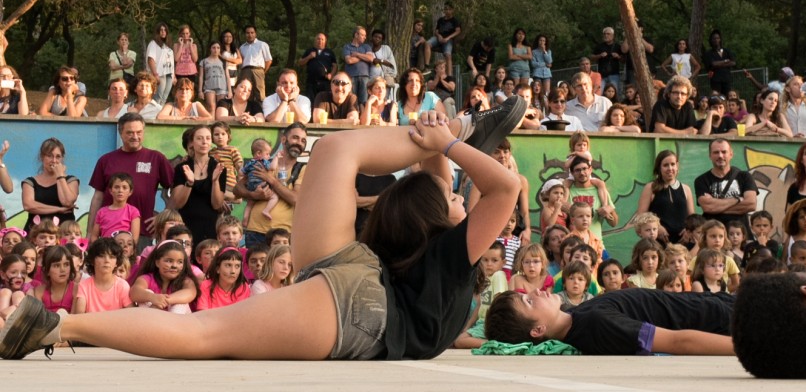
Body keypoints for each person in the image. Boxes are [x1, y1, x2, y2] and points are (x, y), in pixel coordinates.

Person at [0, 97, 527, 362]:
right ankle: (59, 326)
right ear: (438, 225)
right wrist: (453, 142)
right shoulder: (449, 257)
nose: (461, 196)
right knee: (204, 335)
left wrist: (450, 142)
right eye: (456, 198)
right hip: (363, 307)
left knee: (336, 149)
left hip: (359, 284)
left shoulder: (439, 251)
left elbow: (478, 190)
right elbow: (489, 187)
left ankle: (55, 325)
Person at [486, 287, 734, 356]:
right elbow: (678, 342)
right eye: (529, 302)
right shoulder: (596, 324)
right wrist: (744, 347)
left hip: (717, 303)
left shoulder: (579, 312)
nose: (536, 292)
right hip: (725, 318)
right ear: (538, 330)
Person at [88, 113, 174, 248]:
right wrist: (89, 234)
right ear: (121, 133)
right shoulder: (106, 160)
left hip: (142, 234)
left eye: (139, 132)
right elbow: (97, 198)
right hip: (108, 235)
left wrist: (164, 215)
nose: (135, 136)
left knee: (137, 269)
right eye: (130, 133)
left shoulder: (156, 158)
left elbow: (176, 189)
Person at [234, 123, 307, 247]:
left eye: (303, 140)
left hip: (283, 235)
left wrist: (270, 179)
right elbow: (237, 189)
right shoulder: (263, 162)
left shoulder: (302, 168)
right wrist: (253, 194)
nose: (299, 143)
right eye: (295, 137)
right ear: (283, 139)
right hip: (255, 231)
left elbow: (295, 199)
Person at [169, 126, 227, 246]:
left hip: (210, 225)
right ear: (193, 142)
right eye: (199, 138)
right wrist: (189, 183)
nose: (204, 142)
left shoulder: (219, 168)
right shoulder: (182, 168)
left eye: (207, 138)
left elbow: (217, 204)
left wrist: (215, 181)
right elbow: (178, 203)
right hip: (185, 225)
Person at [694, 139, 758, 226]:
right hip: (714, 235)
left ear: (731, 154)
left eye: (724, 152)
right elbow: (708, 207)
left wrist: (716, 207)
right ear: (710, 156)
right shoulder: (701, 180)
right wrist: (738, 199)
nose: (720, 156)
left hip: (739, 236)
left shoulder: (745, 176)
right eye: (716, 152)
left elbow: (751, 204)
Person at [636, 150, 694, 244]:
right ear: (659, 167)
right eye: (665, 165)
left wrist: (689, 230)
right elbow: (641, 216)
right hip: (658, 243)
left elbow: (692, 218)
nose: (670, 168)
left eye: (672, 164)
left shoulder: (686, 189)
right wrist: (657, 227)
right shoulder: (651, 188)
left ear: (677, 166)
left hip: (683, 244)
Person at [21, 138, 78, 232]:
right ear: (41, 157)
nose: (54, 160)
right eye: (50, 156)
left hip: (64, 233)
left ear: (62, 158)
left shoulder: (71, 180)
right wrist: (58, 209)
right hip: (36, 233)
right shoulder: (30, 182)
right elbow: (29, 205)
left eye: (58, 156)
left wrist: (60, 176)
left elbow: (67, 202)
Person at [88, 173, 140, 242]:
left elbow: (134, 238)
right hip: (105, 250)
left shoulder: (133, 211)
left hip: (123, 250)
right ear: (110, 191)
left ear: (130, 192)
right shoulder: (101, 212)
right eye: (116, 187)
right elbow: (94, 236)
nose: (120, 190)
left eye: (124, 187)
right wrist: (99, 249)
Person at [424, 2, 461, 75]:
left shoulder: (454, 20)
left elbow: (458, 31)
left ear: (452, 10)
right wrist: (439, 36)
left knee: (448, 55)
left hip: (448, 39)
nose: (447, 11)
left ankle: (449, 75)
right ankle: (426, 66)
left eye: (449, 9)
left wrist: (448, 38)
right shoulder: (440, 20)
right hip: (439, 37)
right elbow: (436, 31)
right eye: (446, 9)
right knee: (427, 43)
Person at [238, 25, 272, 102]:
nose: (250, 35)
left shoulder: (262, 44)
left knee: (260, 93)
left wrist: (263, 72)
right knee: (245, 92)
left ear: (255, 33)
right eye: (247, 33)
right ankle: (246, 112)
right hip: (245, 70)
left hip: (258, 69)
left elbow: (268, 60)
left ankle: (261, 112)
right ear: (245, 34)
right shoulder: (242, 47)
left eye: (252, 33)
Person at [297, 33, 336, 100]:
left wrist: (331, 74)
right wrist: (309, 57)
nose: (320, 41)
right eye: (318, 39)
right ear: (315, 40)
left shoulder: (329, 52)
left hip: (325, 82)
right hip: (311, 82)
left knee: (324, 100)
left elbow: (335, 66)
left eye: (322, 39)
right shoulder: (309, 51)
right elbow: (300, 63)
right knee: (310, 101)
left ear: (325, 41)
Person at [198, 41, 232, 115]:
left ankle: (220, 125)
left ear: (220, 49)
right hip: (209, 87)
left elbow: (227, 76)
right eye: (213, 48)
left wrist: (230, 91)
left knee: (220, 108)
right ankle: (211, 124)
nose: (216, 50)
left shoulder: (223, 62)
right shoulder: (204, 61)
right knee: (211, 107)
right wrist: (200, 91)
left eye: (218, 48)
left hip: (222, 87)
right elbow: (201, 77)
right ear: (210, 49)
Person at [343, 26, 374, 104]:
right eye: (363, 35)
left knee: (364, 100)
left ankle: (363, 115)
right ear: (356, 35)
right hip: (351, 77)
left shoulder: (367, 47)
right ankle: (352, 115)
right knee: (351, 99)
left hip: (365, 77)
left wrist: (357, 54)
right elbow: (349, 60)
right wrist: (363, 56)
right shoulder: (347, 47)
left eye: (365, 35)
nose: (365, 37)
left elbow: (370, 58)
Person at [146, 23, 174, 105]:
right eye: (161, 30)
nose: (163, 32)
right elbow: (150, 59)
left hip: (169, 74)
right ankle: (154, 116)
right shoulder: (153, 43)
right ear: (157, 32)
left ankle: (160, 116)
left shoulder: (167, 46)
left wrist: (174, 75)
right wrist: (155, 74)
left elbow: (171, 62)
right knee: (158, 98)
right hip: (159, 74)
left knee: (164, 98)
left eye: (165, 30)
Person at [703, 30, 736, 95]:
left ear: (720, 39)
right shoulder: (708, 53)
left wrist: (719, 64)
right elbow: (713, 64)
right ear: (711, 40)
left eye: (717, 38)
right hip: (715, 80)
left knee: (728, 96)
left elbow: (733, 63)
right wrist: (725, 61)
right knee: (716, 97)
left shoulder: (727, 51)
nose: (716, 40)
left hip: (727, 79)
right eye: (714, 38)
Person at [591, 27, 623, 93]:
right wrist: (599, 55)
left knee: (615, 93)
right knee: (600, 93)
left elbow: (624, 60)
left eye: (608, 34)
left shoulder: (618, 46)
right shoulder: (599, 46)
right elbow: (591, 57)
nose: (606, 35)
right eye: (604, 34)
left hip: (614, 74)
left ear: (613, 36)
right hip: (602, 75)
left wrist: (618, 57)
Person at [369, 29, 397, 95]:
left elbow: (391, 64)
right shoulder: (367, 48)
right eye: (375, 36)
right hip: (371, 79)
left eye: (379, 38)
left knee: (384, 99)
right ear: (372, 37)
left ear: (382, 40)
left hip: (384, 79)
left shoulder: (386, 48)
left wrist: (380, 61)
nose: (377, 39)